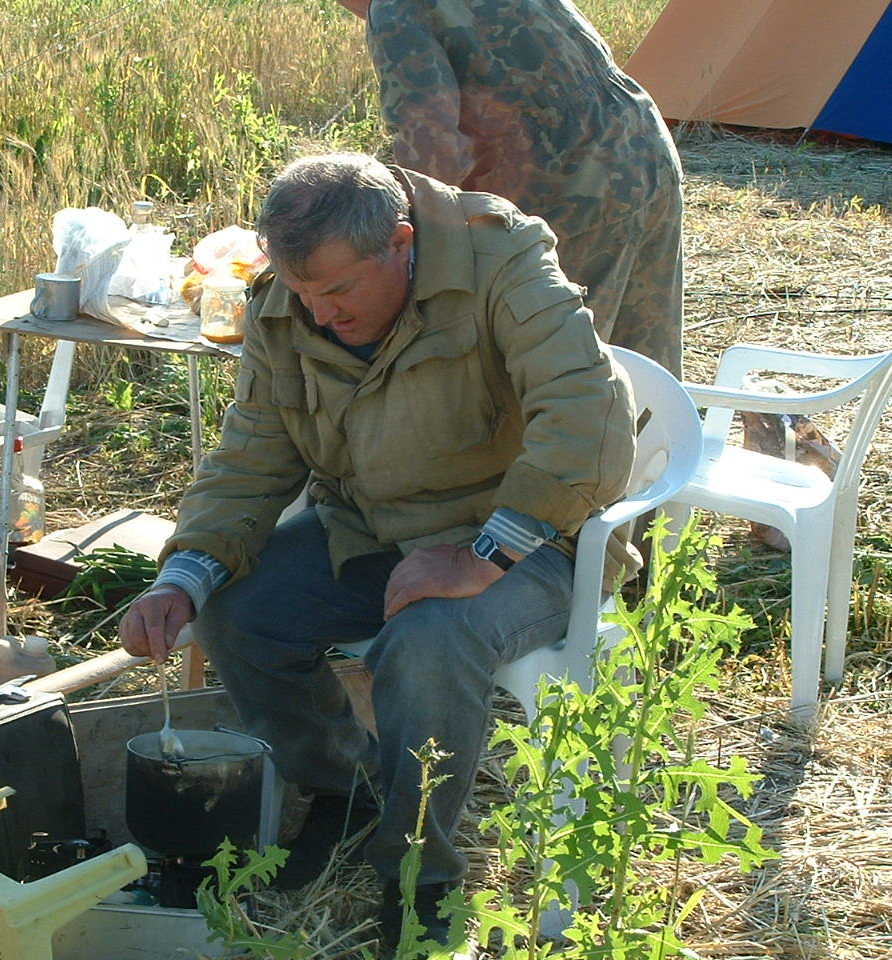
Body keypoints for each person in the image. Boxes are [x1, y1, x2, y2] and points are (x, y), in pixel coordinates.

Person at [120, 153, 638, 953]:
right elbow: (253, 457)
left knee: (429, 641)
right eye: (303, 294)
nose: (320, 316)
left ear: (400, 242)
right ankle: (352, 793)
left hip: (534, 534)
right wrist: (184, 576)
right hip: (372, 530)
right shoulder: (286, 307)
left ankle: (418, 875)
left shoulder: (502, 257)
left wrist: (482, 555)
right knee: (234, 613)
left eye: (337, 292)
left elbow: (588, 412)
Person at [335, 0, 685, 377]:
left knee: (565, 375)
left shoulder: (395, 9)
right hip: (644, 150)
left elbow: (433, 152)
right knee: (650, 379)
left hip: (575, 192)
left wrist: (404, 243)